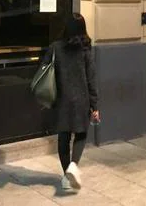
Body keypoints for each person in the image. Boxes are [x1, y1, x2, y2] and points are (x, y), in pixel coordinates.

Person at [42, 13, 99, 190]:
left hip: (61, 99)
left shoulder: (55, 48)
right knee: (81, 134)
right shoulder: (85, 49)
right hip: (81, 99)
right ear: (83, 28)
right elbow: (91, 79)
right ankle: (73, 165)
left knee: (63, 136)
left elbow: (44, 69)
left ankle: (67, 172)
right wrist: (95, 105)